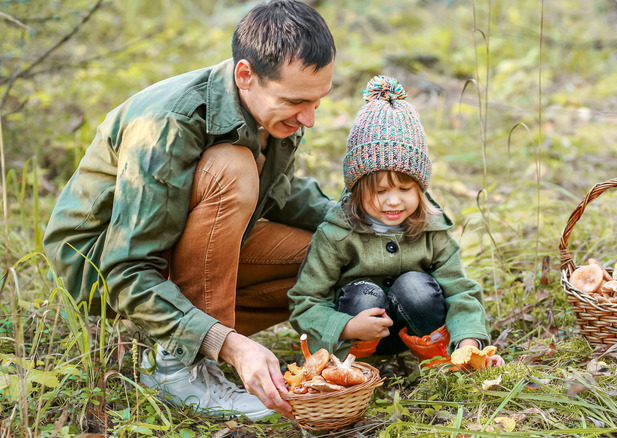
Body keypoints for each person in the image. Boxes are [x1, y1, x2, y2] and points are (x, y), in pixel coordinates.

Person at [42, 0, 336, 421]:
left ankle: (170, 336)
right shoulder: (167, 123)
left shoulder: (272, 111)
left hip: (176, 248)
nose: (309, 118)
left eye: (318, 100)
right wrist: (235, 347)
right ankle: (181, 367)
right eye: (296, 102)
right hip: (102, 266)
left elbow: (282, 194)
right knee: (231, 169)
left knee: (327, 253)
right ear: (245, 76)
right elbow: (125, 270)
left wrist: (370, 224)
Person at [287, 76, 504, 369]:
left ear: (421, 188)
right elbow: (306, 301)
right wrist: (346, 327)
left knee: (414, 286)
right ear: (357, 189)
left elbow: (459, 290)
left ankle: (440, 356)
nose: (393, 202)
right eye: (380, 191)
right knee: (366, 294)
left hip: (417, 328)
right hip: (357, 333)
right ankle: (353, 365)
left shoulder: (431, 229)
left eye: (404, 190)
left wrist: (468, 341)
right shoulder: (337, 234)